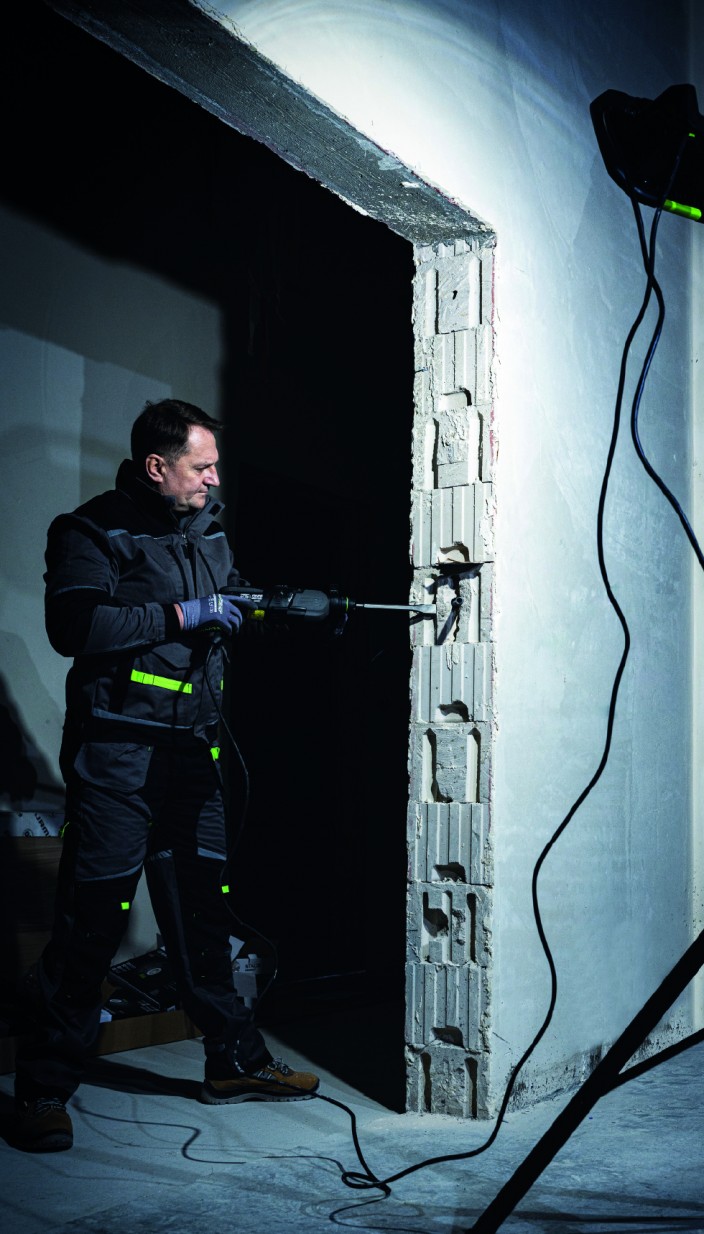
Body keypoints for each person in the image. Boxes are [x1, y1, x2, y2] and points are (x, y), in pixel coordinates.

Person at [13, 398, 318, 1152]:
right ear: (157, 466)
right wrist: (187, 614)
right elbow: (76, 626)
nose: (214, 480)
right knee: (92, 923)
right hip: (118, 756)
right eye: (201, 466)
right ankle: (42, 1090)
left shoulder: (207, 532)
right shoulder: (91, 530)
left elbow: (227, 602)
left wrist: (266, 609)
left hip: (192, 752)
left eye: (213, 467)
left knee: (204, 917)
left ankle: (233, 1063)